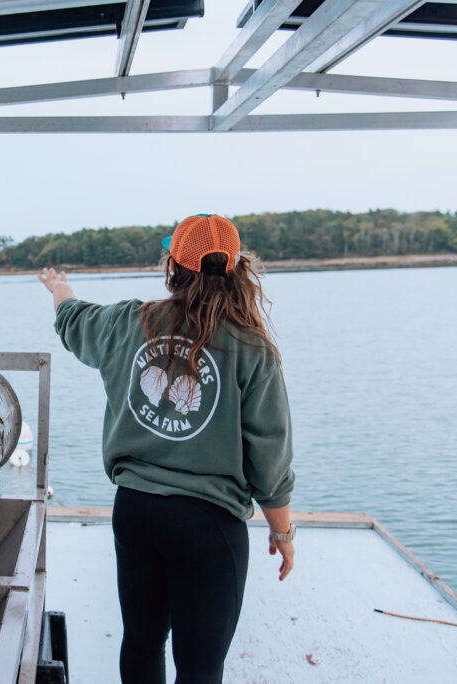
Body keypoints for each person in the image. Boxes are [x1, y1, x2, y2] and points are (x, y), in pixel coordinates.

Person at [37, 214, 295, 684]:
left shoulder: (127, 321)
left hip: (136, 512)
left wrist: (59, 288)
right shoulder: (253, 347)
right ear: (236, 268)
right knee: (199, 667)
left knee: (142, 643)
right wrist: (282, 532)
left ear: (173, 264)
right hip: (209, 526)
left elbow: (73, 320)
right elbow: (269, 454)